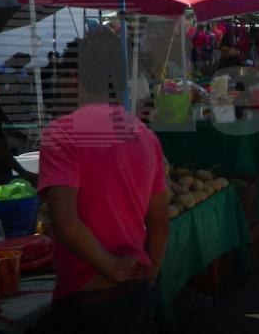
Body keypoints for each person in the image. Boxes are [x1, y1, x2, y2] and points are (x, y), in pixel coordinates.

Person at [36, 28, 169, 333]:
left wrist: (110, 266)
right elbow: (160, 226)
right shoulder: (145, 136)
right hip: (134, 293)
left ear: (73, 76)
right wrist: (148, 278)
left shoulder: (61, 133)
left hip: (85, 301)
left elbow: (66, 224)